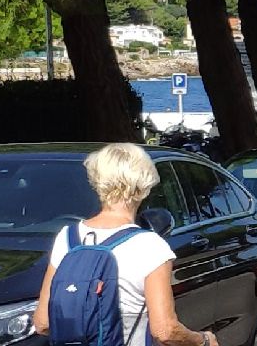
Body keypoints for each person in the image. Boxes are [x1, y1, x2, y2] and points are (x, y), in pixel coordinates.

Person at [35, 143, 216, 346]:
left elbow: (43, 322)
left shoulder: (67, 238)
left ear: (97, 182)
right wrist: (203, 340)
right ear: (144, 186)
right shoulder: (150, 246)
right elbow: (165, 331)